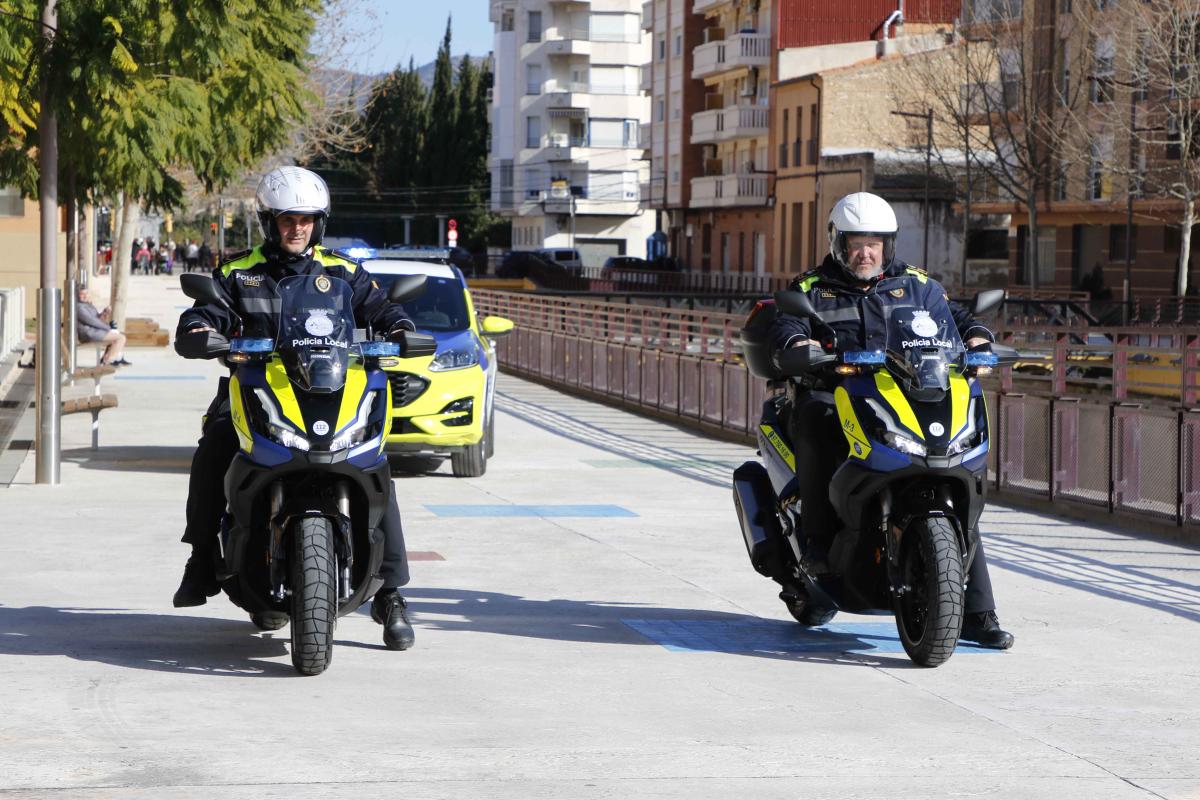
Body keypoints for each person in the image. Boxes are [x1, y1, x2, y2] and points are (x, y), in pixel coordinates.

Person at [172, 165, 419, 651]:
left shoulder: (343, 272)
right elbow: (205, 311)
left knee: (373, 463)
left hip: (330, 391)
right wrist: (199, 331)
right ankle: (201, 558)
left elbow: (385, 310)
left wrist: (401, 332)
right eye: (287, 218)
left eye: (306, 219)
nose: (297, 228)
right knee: (213, 446)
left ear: (319, 222)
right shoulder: (239, 271)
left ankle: (391, 594)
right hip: (259, 391)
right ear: (269, 221)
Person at [768, 191, 1014, 650]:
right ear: (837, 241)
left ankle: (979, 613)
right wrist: (801, 349)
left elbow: (959, 320)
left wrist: (979, 339)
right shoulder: (812, 289)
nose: (866, 252)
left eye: (876, 243)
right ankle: (819, 548)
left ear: (889, 245)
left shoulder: (919, 285)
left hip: (904, 396)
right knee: (818, 423)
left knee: (956, 475)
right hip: (835, 393)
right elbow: (786, 327)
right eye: (857, 242)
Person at [76, 288, 131, 366]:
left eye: (86, 294)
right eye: (82, 294)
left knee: (118, 335)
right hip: (89, 333)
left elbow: (97, 319)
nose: (85, 296)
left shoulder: (88, 305)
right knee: (121, 338)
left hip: (93, 331)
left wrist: (104, 313)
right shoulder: (79, 307)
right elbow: (92, 321)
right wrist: (108, 328)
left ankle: (107, 360)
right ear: (78, 296)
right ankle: (107, 361)